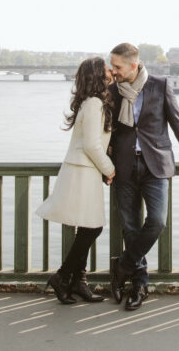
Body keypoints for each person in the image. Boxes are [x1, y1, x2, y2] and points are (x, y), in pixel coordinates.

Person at [107, 42, 179, 311]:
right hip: (123, 166)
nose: (113, 72)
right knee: (130, 227)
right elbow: (108, 129)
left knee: (157, 221)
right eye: (112, 66)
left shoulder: (159, 85)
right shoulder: (113, 92)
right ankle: (140, 283)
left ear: (133, 65)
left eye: (117, 67)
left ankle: (123, 266)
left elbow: (176, 122)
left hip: (156, 166)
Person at [35, 56, 117, 304]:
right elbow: (91, 144)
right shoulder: (93, 103)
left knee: (88, 226)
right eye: (106, 70)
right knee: (93, 227)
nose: (111, 72)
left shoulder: (89, 102)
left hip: (84, 171)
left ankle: (78, 281)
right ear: (98, 76)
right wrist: (110, 168)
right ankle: (63, 276)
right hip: (84, 171)